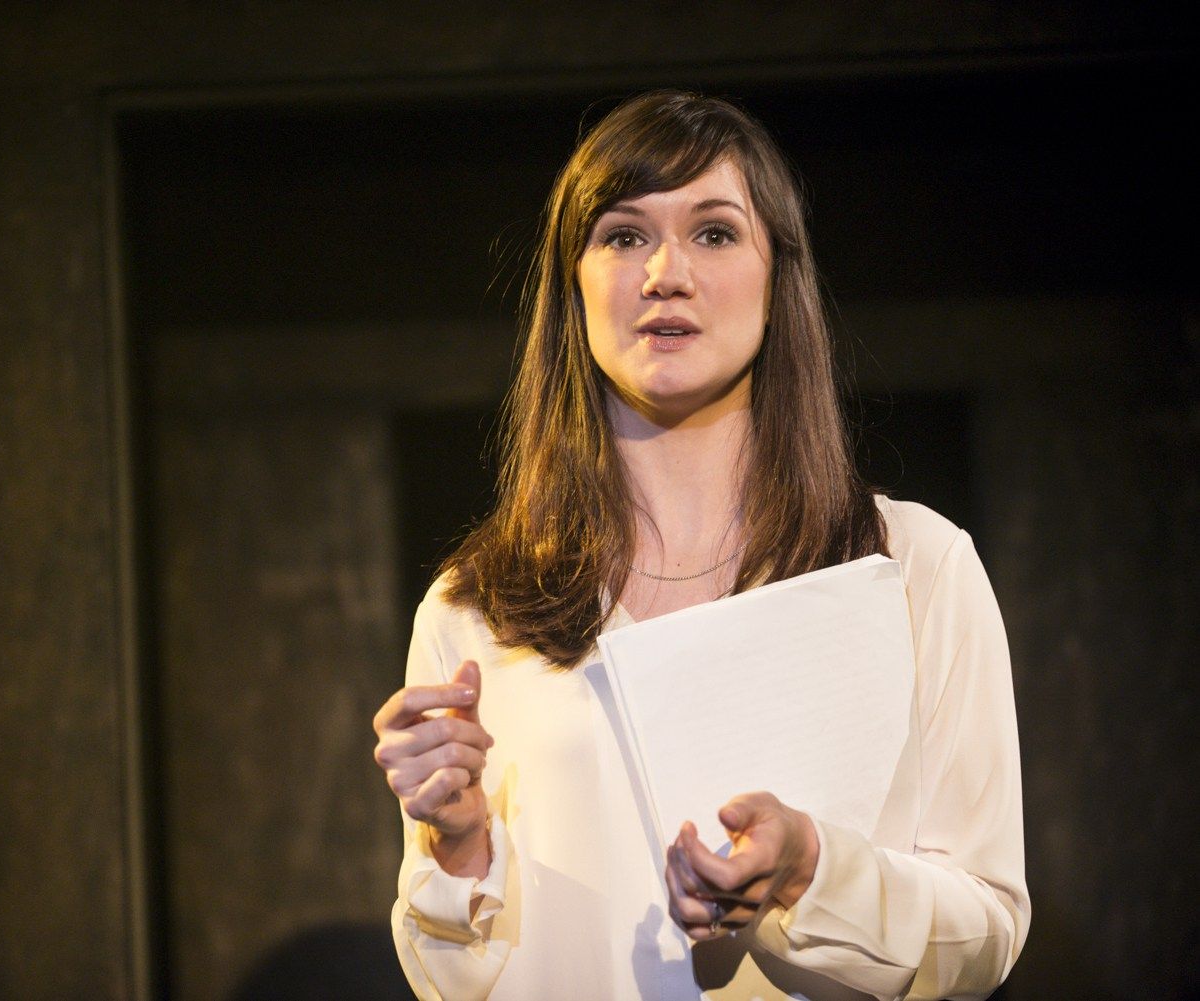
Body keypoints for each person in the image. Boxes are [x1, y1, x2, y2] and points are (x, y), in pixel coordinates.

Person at [370, 90, 1028, 1001]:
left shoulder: (913, 567)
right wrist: (457, 841)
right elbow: (452, 979)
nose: (665, 273)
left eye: (714, 233)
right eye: (623, 235)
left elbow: (986, 932)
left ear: (778, 277)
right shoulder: (475, 609)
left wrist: (809, 870)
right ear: (573, 286)